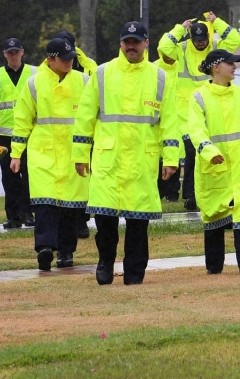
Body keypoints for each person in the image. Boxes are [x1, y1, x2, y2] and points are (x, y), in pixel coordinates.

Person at [72, 21, 180, 285]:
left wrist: (172, 158)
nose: (131, 46)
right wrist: (79, 153)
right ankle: (105, 263)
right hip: (109, 158)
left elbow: (170, 121)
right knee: (105, 220)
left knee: (138, 223)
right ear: (120, 44)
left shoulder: (160, 77)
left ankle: (134, 272)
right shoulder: (102, 73)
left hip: (142, 160)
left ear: (146, 43)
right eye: (126, 42)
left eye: (136, 41)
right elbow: (85, 116)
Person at [187, 49, 240, 274]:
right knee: (214, 216)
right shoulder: (199, 98)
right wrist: (209, 152)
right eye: (229, 63)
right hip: (215, 167)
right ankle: (214, 267)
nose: (234, 67)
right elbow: (196, 131)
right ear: (216, 67)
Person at [10, 37, 91, 271]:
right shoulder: (34, 84)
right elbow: (22, 120)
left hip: (74, 153)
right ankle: (44, 247)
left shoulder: (84, 81)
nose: (69, 63)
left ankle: (66, 252)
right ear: (50, 59)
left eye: (71, 59)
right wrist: (16, 154)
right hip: (43, 153)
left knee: (70, 207)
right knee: (45, 204)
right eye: (64, 59)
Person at [157, 12, 240, 208]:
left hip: (212, 107)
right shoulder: (183, 48)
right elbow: (164, 46)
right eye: (197, 40)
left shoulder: (215, 47)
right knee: (192, 153)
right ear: (191, 37)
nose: (201, 43)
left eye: (203, 39)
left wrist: (217, 22)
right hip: (186, 112)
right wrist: (180, 27)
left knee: (214, 152)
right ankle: (191, 195)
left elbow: (236, 39)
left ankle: (216, 193)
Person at [0, 38, 37, 229]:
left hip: (29, 132)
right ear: (4, 54)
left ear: (22, 52)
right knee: (9, 175)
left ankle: (28, 213)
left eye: (16, 52)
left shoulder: (34, 73)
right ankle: (13, 217)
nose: (13, 55)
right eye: (9, 52)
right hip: (5, 134)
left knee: (28, 174)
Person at [55, 30, 96, 239]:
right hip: (61, 134)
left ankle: (82, 220)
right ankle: (67, 220)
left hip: (85, 131)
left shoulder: (88, 66)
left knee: (84, 178)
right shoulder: (54, 65)